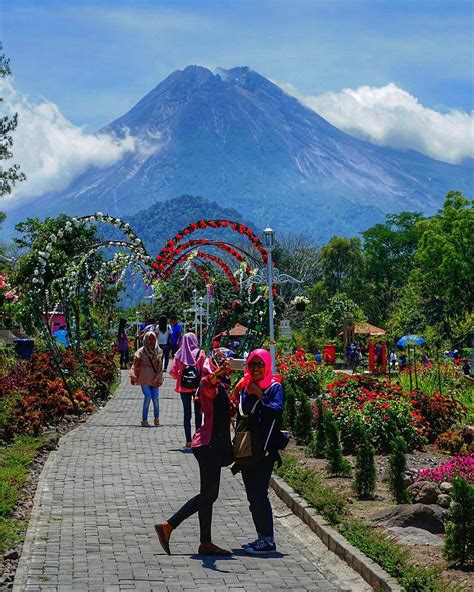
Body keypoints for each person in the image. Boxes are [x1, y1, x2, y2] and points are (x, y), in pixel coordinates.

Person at [155, 348, 235, 556]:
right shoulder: (209, 383)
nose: (230, 367)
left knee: (208, 495)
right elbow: (208, 385)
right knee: (209, 494)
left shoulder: (222, 387)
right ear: (217, 364)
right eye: (226, 362)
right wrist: (217, 374)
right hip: (209, 446)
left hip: (213, 446)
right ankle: (168, 525)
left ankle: (205, 542)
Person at [234, 349, 284, 554]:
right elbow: (244, 413)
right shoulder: (246, 386)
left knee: (260, 493)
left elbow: (276, 410)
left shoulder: (274, 387)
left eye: (259, 364)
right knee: (252, 495)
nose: (255, 369)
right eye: (252, 365)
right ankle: (261, 537)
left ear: (267, 365)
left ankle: (268, 539)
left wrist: (260, 396)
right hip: (248, 448)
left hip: (264, 450)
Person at [169, 332, 206, 447]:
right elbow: (205, 371)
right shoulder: (200, 354)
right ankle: (198, 439)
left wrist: (180, 377)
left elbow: (172, 371)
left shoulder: (179, 355)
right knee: (198, 414)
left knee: (187, 414)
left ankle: (188, 440)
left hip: (183, 387)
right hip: (197, 388)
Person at [130, 331, 163, 427]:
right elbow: (135, 365)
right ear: (146, 340)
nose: (151, 341)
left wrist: (158, 379)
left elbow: (160, 368)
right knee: (148, 397)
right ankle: (144, 420)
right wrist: (133, 375)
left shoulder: (158, 351)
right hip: (144, 379)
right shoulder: (140, 352)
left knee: (155, 399)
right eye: (149, 339)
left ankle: (157, 419)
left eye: (153, 339)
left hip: (154, 379)